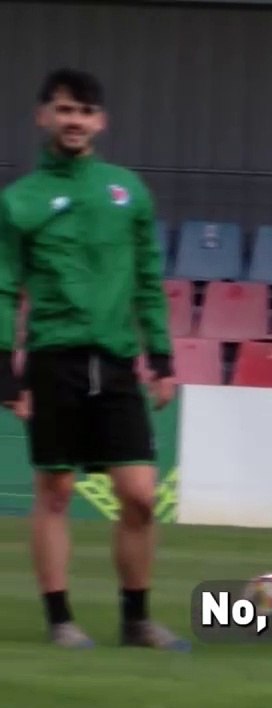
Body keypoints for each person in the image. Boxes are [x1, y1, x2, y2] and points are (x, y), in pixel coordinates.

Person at [0, 68, 187, 650]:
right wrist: (5, 369)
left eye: (84, 111)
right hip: (54, 360)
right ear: (43, 117)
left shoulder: (126, 190)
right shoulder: (19, 200)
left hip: (116, 361)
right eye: (63, 110)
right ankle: (61, 621)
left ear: (100, 122)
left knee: (139, 496)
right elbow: (5, 288)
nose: (74, 120)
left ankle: (137, 619)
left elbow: (149, 280)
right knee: (55, 491)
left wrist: (161, 355)